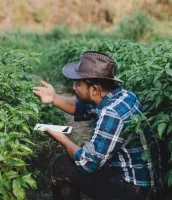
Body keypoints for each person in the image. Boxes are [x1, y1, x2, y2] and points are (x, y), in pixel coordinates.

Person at [33, 51, 160, 200]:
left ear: (94, 89)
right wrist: (54, 98)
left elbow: (88, 163)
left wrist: (62, 138)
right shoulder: (124, 95)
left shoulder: (111, 113)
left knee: (62, 166)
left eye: (78, 83)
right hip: (143, 178)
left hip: (134, 190)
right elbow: (82, 107)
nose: (74, 87)